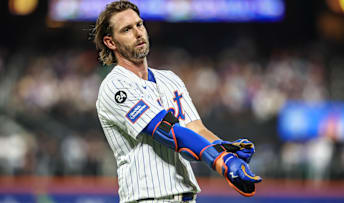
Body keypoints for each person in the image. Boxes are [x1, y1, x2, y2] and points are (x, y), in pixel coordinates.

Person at [93, 1, 261, 202]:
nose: (138, 33)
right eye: (127, 29)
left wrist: (226, 151)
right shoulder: (114, 86)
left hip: (187, 197)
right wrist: (220, 160)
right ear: (111, 42)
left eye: (139, 24)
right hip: (147, 198)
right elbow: (167, 131)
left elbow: (197, 130)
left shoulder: (169, 78)